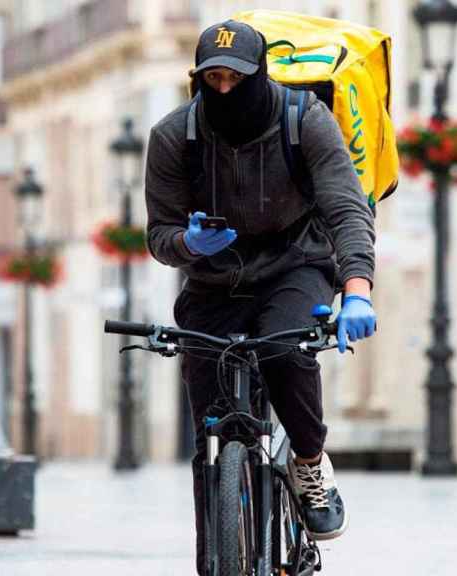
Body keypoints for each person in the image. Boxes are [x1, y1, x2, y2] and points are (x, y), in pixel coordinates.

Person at [144, 19, 377, 573]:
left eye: (236, 78)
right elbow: (159, 236)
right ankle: (217, 554)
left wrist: (358, 290)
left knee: (282, 351)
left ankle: (309, 462)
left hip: (294, 263)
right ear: (197, 80)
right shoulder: (173, 136)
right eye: (213, 79)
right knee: (210, 429)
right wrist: (188, 242)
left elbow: (346, 209)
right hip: (213, 280)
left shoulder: (306, 121)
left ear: (261, 75)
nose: (225, 90)